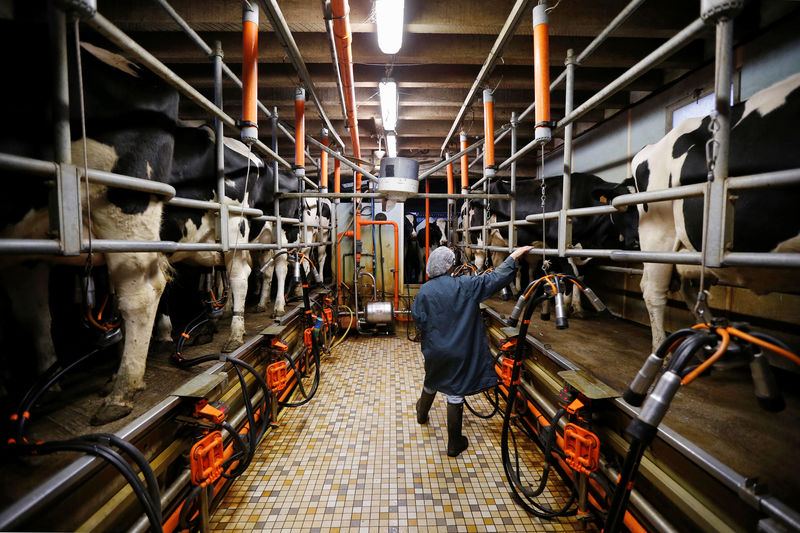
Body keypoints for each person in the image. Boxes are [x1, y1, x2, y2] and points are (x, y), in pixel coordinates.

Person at [411, 245, 534, 457]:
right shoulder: (466, 285)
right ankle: (454, 443)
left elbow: (418, 319)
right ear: (451, 266)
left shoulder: (424, 290)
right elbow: (494, 278)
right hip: (458, 351)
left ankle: (421, 414)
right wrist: (513, 256)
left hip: (435, 350)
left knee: (432, 378)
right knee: (455, 391)